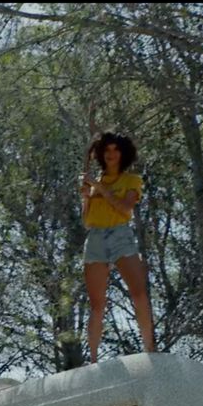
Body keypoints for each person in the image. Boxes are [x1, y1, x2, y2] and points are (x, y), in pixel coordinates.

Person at [79, 132, 156, 363]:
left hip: (121, 234)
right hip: (96, 238)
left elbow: (124, 208)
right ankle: (92, 359)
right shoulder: (94, 183)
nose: (111, 155)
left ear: (123, 153)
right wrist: (86, 196)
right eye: (107, 150)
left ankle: (150, 350)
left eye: (116, 150)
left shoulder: (131, 180)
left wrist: (100, 190)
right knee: (96, 303)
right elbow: (87, 220)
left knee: (139, 293)